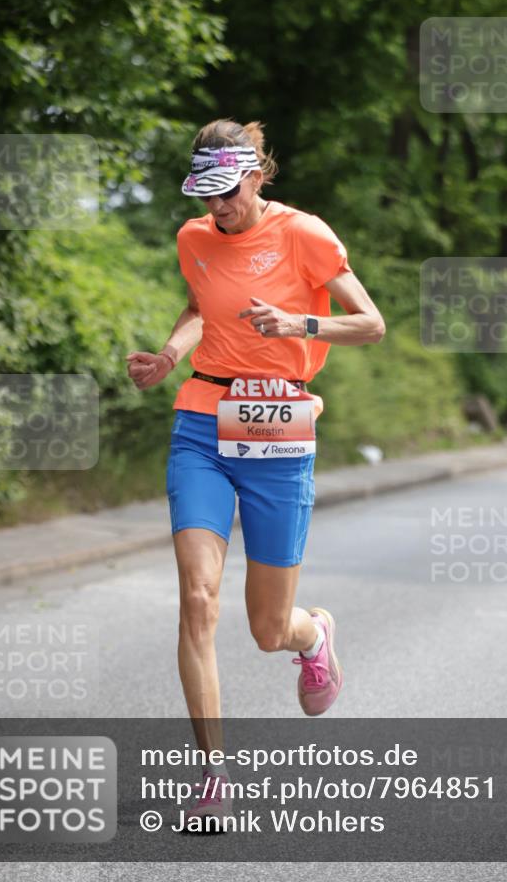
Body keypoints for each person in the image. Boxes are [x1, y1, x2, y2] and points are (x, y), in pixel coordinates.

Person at [126, 119, 385, 825]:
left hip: (279, 430)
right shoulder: (193, 238)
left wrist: (300, 325)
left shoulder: (304, 233)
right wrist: (170, 355)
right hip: (203, 425)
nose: (218, 208)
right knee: (197, 598)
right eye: (205, 196)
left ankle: (313, 635)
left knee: (268, 630)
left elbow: (370, 324)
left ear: (255, 176)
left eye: (228, 193)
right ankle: (213, 776)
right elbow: (198, 307)